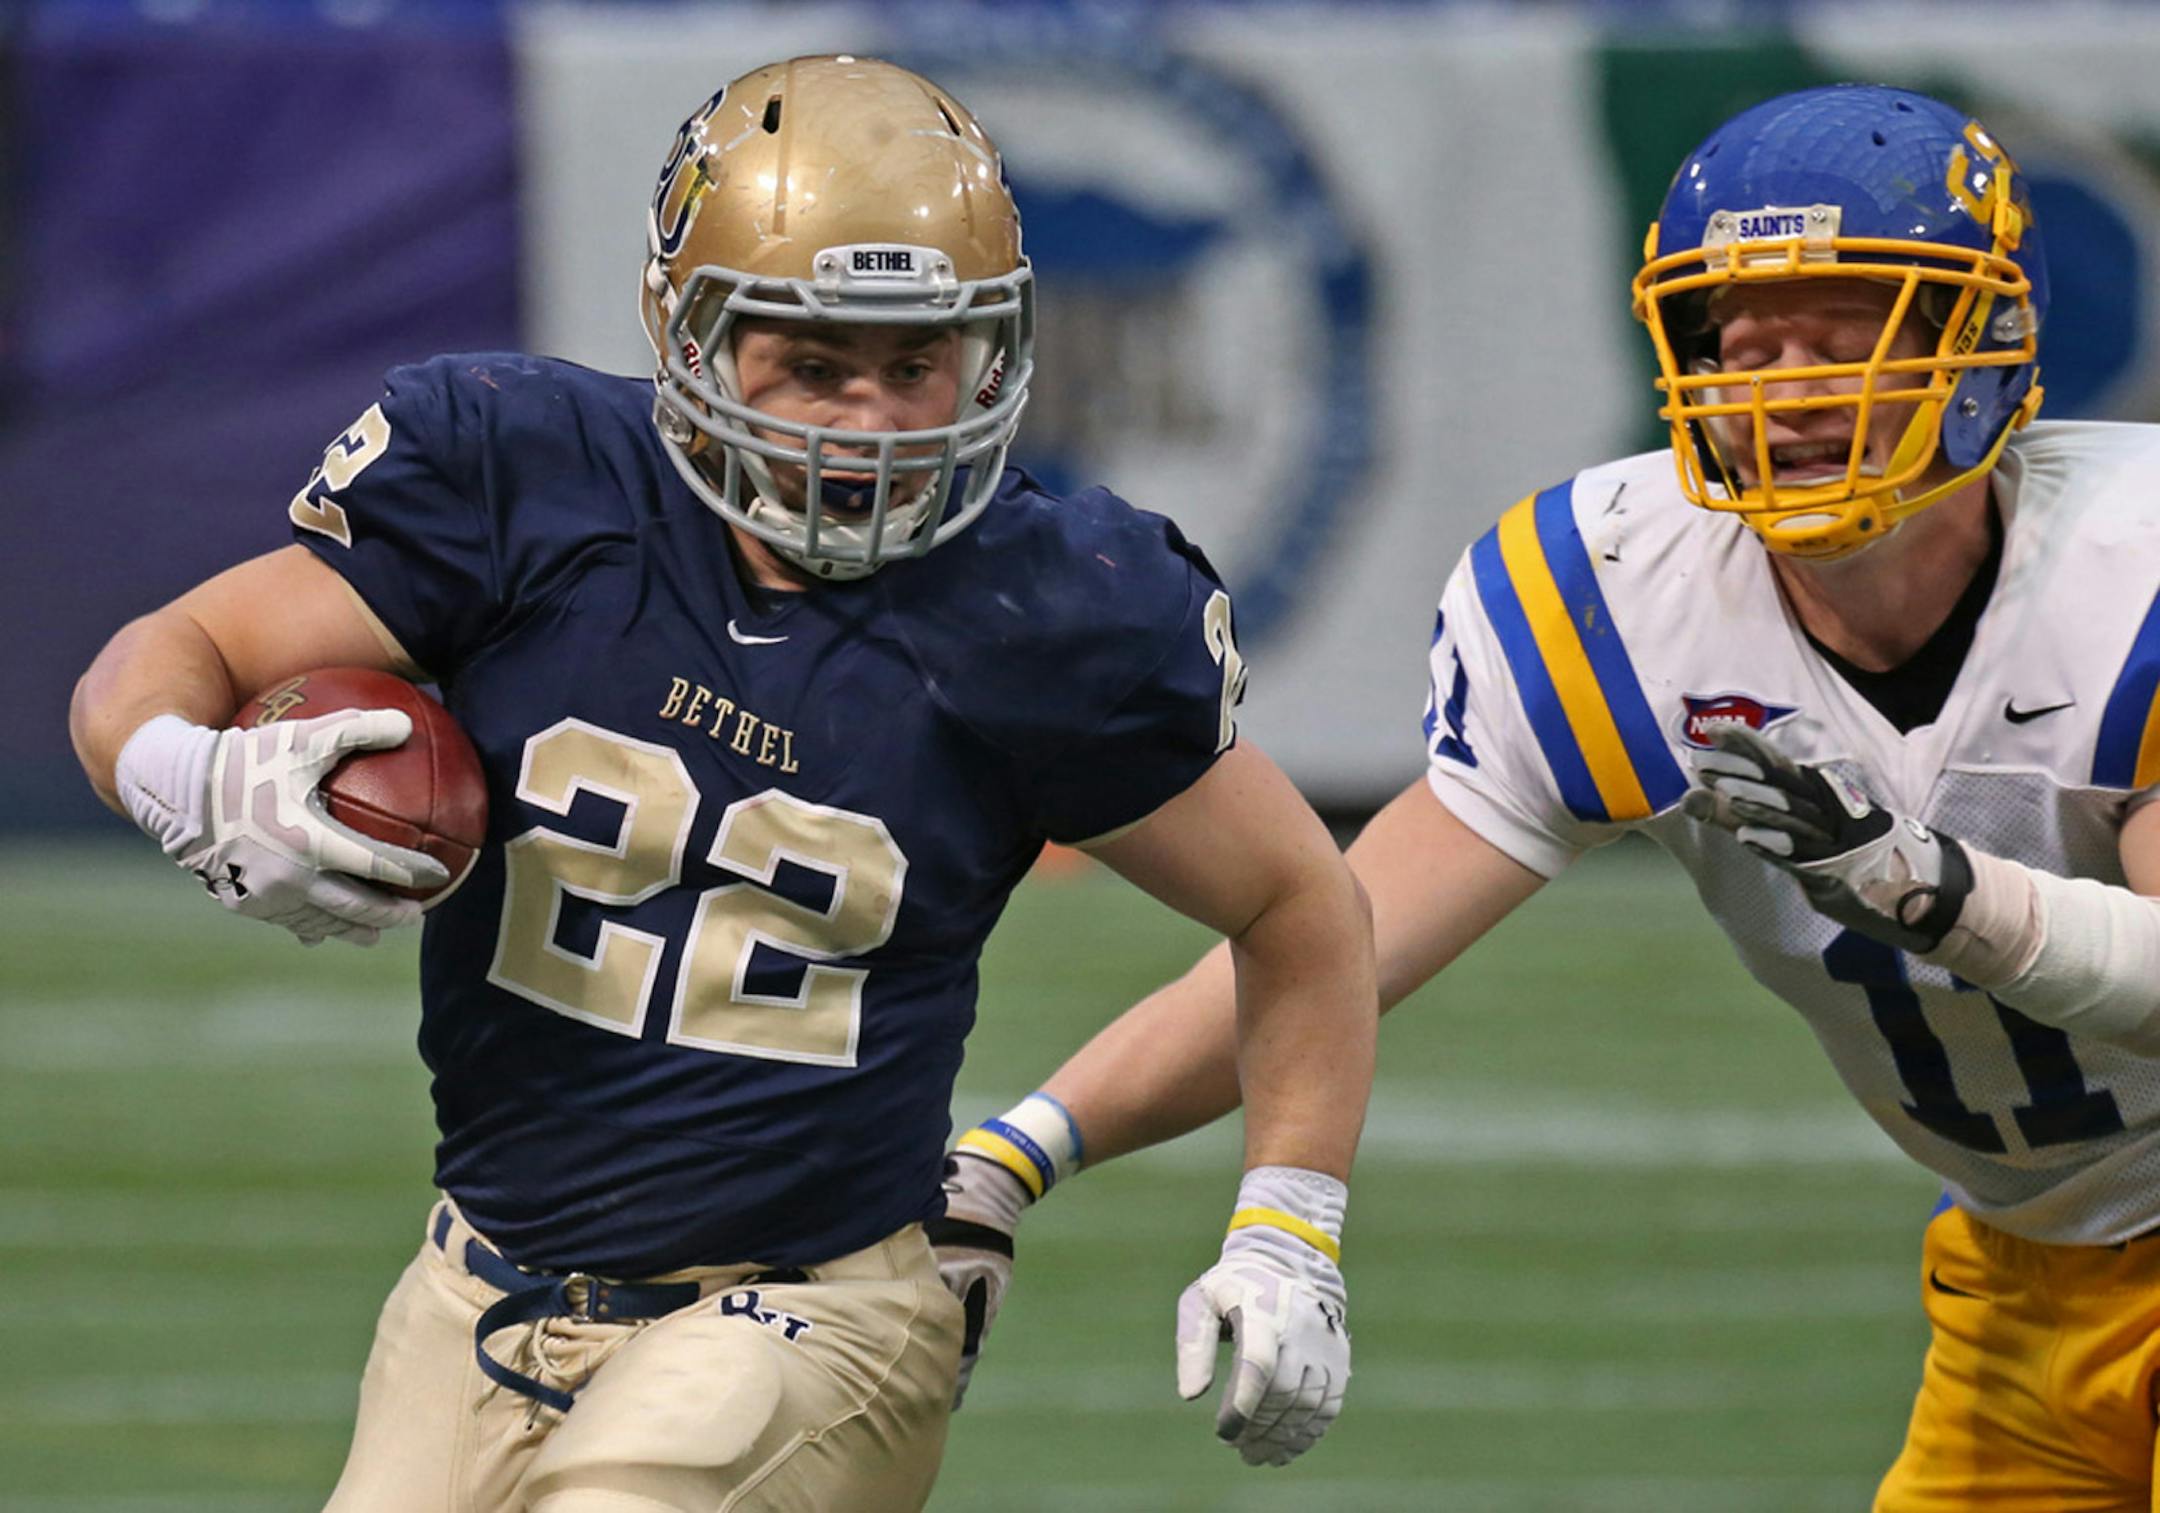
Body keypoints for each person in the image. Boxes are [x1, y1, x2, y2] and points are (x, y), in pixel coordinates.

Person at [66, 55, 1376, 1512]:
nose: (872, 420)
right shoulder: (531, 481)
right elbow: (159, 660)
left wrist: (1288, 1221)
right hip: (476, 1286)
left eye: (913, 362)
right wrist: (196, 779)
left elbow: (1298, 901)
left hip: (814, 1308)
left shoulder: (1049, 607)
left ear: (991, 354)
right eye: (815, 364)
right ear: (691, 333)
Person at [942, 81, 2160, 1506]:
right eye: (1738, 338)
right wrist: (1012, 1152)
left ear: (1989, 340)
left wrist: (1946, 900)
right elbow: (1331, 936)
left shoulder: (2124, 568)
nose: (1782, 384)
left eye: (1846, 332)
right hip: (2031, 1278)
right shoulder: (1623, 596)